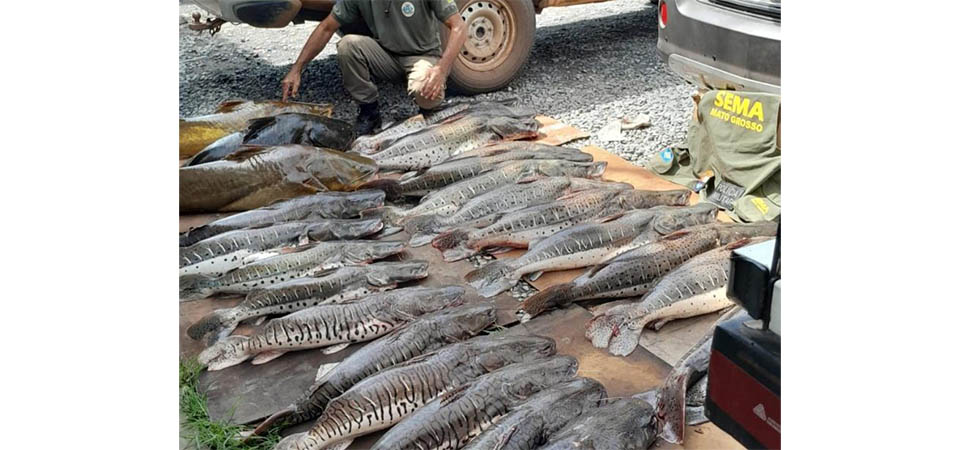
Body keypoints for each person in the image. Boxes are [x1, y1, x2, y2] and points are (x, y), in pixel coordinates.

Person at [281, 0, 467, 135]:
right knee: (348, 45)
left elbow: (458, 26)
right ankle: (369, 112)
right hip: (386, 55)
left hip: (422, 56)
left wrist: (441, 70)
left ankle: (429, 113)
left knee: (425, 93)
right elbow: (326, 27)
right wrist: (297, 68)